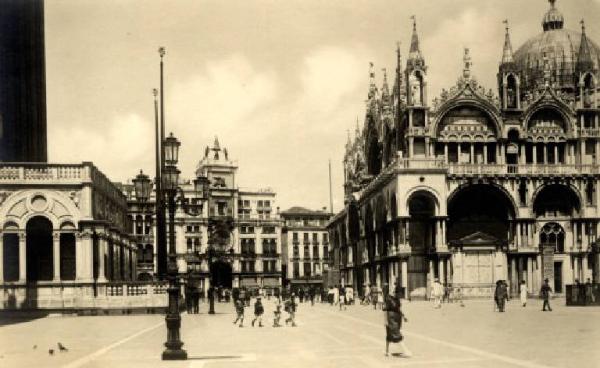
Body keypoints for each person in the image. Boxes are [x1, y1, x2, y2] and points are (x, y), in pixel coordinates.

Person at [384, 284, 412, 358]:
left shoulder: (397, 299)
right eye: (400, 294)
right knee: (397, 333)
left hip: (397, 317)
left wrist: (403, 316)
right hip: (391, 318)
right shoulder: (389, 298)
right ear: (396, 292)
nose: (401, 296)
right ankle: (405, 351)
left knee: (389, 334)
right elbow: (385, 310)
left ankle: (387, 351)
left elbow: (399, 309)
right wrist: (385, 320)